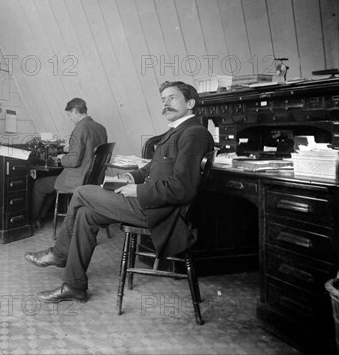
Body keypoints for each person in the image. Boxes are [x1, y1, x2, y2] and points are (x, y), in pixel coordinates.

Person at [24, 81, 214, 303]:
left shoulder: (193, 134)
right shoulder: (179, 131)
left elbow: (182, 188)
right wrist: (130, 177)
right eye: (163, 99)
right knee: (85, 215)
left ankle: (58, 253)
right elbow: (152, 168)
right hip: (151, 203)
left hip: (157, 211)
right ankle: (74, 286)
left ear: (190, 103)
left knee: (82, 192)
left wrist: (138, 190)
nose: (165, 104)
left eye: (172, 98)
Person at [31, 98, 107, 229]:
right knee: (51, 186)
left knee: (39, 184)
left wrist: (62, 157)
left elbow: (73, 160)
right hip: (93, 179)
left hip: (78, 179)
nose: (70, 118)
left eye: (69, 114)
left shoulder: (80, 128)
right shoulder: (100, 128)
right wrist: (70, 149)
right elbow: (89, 150)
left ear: (76, 111)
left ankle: (32, 221)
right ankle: (41, 217)